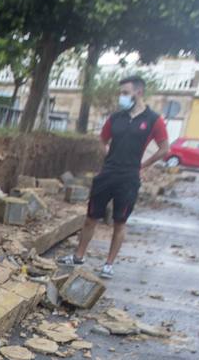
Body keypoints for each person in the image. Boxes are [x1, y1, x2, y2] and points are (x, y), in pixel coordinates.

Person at [56, 75, 170, 278]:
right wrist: (108, 154)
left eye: (125, 93)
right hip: (108, 173)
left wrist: (143, 165)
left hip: (129, 177)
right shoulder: (116, 118)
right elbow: (102, 139)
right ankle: (78, 257)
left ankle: (108, 264)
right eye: (121, 93)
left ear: (139, 92)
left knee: (120, 222)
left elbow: (164, 149)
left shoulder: (153, 120)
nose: (122, 97)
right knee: (91, 217)